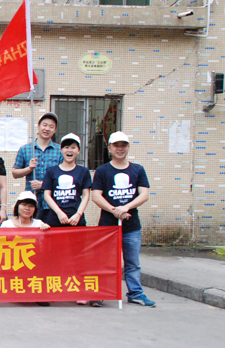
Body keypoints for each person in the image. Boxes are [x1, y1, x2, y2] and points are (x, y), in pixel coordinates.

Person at [91, 131, 155, 307]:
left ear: (128, 147)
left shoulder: (137, 169)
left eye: (123, 145)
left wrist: (126, 208)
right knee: (105, 261)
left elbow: (144, 194)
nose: (120, 149)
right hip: (108, 226)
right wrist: (114, 211)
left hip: (131, 226)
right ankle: (101, 293)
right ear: (110, 148)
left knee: (132, 263)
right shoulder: (102, 171)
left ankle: (135, 293)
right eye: (116, 145)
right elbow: (96, 196)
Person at [12, 112, 62, 217]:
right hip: (31, 203)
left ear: (55, 130)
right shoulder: (25, 149)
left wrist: (44, 185)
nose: (47, 129)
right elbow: (15, 173)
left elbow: (63, 176)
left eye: (51, 126)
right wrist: (29, 168)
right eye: (45, 125)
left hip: (53, 203)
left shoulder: (60, 151)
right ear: (38, 126)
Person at [42, 133, 92, 228]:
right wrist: (59, 212)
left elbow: (86, 195)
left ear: (78, 151)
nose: (69, 150)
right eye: (66, 147)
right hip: (55, 218)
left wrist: (78, 214)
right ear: (61, 150)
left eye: (73, 147)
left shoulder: (83, 171)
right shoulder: (51, 171)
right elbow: (47, 195)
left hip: (76, 219)